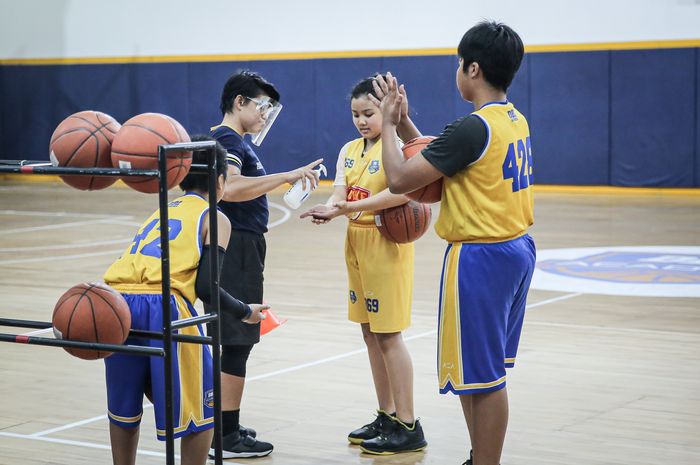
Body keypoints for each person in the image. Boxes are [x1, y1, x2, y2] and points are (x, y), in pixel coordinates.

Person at [372, 22, 536, 465]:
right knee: (477, 374)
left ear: (473, 69)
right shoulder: (511, 119)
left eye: (459, 64)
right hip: (517, 248)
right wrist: (405, 122)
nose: (457, 70)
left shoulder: (472, 127)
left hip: (480, 257)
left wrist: (386, 125)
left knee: (484, 377)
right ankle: (479, 456)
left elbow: (403, 179)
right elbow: (442, 158)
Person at [103, 135, 268, 465]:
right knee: (203, 405)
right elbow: (207, 288)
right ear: (221, 180)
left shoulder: (160, 209)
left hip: (115, 305)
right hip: (163, 306)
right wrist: (244, 311)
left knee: (125, 404)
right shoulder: (215, 217)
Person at [300, 76, 427, 455]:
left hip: (386, 243)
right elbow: (341, 190)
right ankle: (387, 415)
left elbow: (399, 192)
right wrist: (332, 206)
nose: (360, 120)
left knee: (389, 334)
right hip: (355, 241)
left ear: (385, 110)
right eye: (355, 114)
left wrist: (349, 208)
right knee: (370, 333)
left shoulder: (400, 147)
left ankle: (408, 423)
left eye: (368, 113)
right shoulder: (349, 150)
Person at [209, 70, 323, 458]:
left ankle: (223, 424)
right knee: (238, 340)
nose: (264, 114)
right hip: (236, 246)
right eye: (260, 106)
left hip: (244, 245)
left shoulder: (236, 141)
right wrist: (286, 175)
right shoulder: (225, 140)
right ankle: (224, 436)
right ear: (239, 102)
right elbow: (233, 188)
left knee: (232, 340)